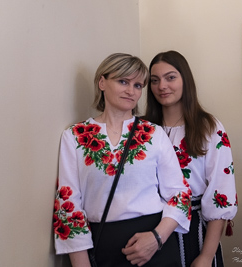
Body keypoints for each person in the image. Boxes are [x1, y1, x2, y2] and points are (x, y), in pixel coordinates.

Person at [53, 53, 191, 267]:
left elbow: (180, 194)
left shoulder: (154, 134)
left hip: (156, 245)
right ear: (102, 82)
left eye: (138, 85)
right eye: (123, 81)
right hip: (103, 246)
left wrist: (156, 238)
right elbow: (68, 205)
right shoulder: (75, 136)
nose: (131, 91)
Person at [144, 50, 238, 267]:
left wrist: (206, 256)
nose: (162, 86)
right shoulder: (143, 128)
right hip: (149, 228)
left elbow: (220, 193)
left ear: (185, 80)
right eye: (154, 80)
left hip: (194, 231)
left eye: (171, 77)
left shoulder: (209, 128)